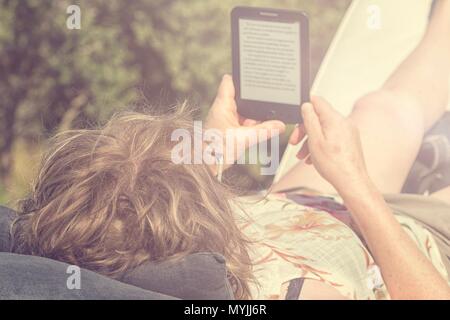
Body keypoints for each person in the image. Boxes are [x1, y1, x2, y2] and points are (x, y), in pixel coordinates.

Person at [10, 1, 450, 299]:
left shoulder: (109, 245)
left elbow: (132, 210)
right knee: (391, 113)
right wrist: (356, 181)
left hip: (299, 205)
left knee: (383, 107)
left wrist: (214, 149)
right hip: (407, 235)